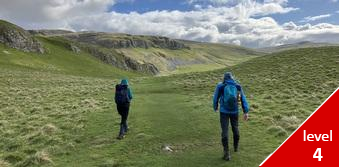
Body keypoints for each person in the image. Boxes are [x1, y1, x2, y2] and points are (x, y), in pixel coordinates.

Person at [213, 72, 249, 161]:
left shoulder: (220, 86)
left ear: (224, 78)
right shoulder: (237, 86)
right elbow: (243, 98)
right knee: (235, 129)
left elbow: (215, 97)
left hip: (223, 112)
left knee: (224, 131)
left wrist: (215, 107)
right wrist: (245, 111)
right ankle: (236, 147)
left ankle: (226, 153)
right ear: (232, 78)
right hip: (234, 111)